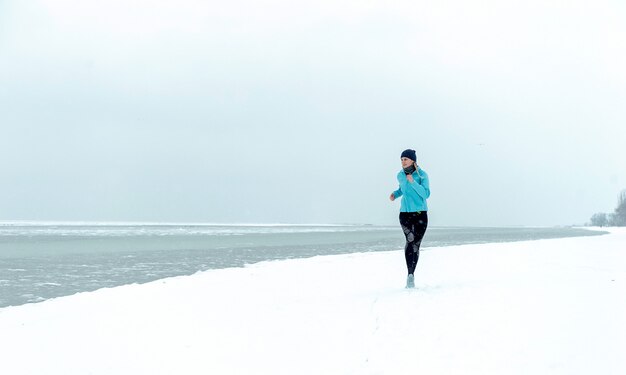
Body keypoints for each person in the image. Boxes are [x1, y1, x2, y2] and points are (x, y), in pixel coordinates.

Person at [389, 149, 430, 288]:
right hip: (405, 214)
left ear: (413, 160)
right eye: (401, 159)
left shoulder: (422, 175)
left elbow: (425, 194)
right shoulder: (400, 175)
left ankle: (411, 274)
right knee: (410, 240)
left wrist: (413, 182)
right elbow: (402, 189)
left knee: (416, 245)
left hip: (420, 214)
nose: (403, 162)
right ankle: (410, 274)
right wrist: (395, 194)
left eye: (406, 159)